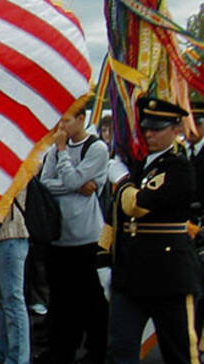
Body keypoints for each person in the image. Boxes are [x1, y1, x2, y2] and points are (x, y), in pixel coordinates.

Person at [102, 97, 200, 364]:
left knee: (180, 350)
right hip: (131, 274)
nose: (149, 133)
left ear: (176, 129)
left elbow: (137, 206)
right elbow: (116, 216)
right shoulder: (137, 164)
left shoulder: (179, 167)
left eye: (158, 128)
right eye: (146, 127)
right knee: (120, 349)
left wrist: (121, 181)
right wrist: (104, 255)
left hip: (169, 274)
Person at [37, 108, 109, 364]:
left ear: (82, 119)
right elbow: (45, 182)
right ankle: (61, 348)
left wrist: (65, 157)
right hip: (58, 234)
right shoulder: (55, 149)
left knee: (90, 296)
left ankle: (96, 349)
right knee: (60, 297)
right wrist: (77, 184)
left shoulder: (96, 148)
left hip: (86, 236)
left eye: (66, 120)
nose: (62, 126)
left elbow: (69, 179)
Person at [0, 189, 30, 364]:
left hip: (10, 233)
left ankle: (18, 358)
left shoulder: (18, 165)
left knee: (12, 300)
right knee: (2, 300)